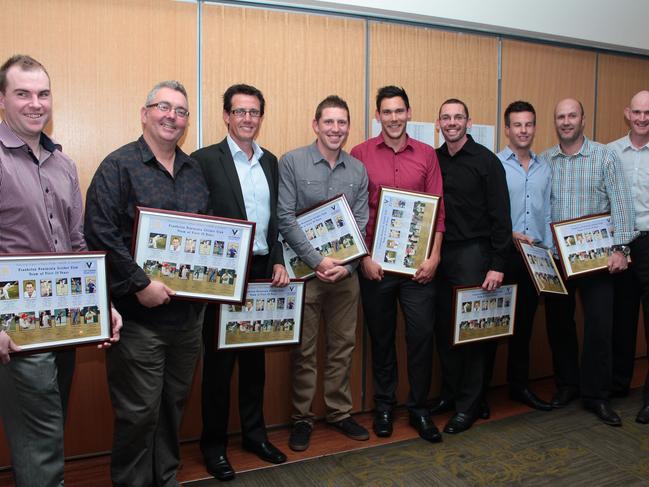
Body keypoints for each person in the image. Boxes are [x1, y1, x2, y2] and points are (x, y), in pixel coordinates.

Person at [0, 54, 121, 487]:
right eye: (23, 94)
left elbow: (77, 244)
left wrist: (101, 302)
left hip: (67, 321)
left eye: (43, 94)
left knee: (50, 425)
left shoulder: (64, 165)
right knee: (40, 437)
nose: (36, 103)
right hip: (16, 329)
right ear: (2, 99)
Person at [84, 80, 207, 486]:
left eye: (181, 111)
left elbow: (203, 237)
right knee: (138, 414)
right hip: (138, 321)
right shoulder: (118, 166)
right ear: (145, 113)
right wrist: (140, 284)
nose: (172, 116)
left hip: (187, 320)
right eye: (163, 107)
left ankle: (166, 478)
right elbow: (100, 233)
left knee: (173, 407)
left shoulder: (194, 171)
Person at [191, 84, 289, 481]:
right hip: (224, 275)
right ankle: (213, 444)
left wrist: (280, 261)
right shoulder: (203, 160)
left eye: (254, 112)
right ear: (226, 116)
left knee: (254, 361)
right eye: (240, 111)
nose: (248, 118)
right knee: (218, 365)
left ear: (261, 117)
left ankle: (254, 434)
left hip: (264, 270)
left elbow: (277, 220)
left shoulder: (271, 162)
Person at [350, 86, 445, 442]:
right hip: (376, 267)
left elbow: (438, 210)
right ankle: (384, 407)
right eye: (386, 112)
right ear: (378, 116)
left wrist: (435, 256)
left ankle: (419, 409)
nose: (393, 118)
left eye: (399, 111)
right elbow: (353, 213)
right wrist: (363, 258)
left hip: (418, 269)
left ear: (408, 113)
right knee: (382, 339)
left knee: (420, 337)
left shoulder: (426, 155)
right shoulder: (359, 154)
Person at [278, 95, 369, 451]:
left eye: (342, 122)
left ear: (348, 127)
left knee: (342, 347)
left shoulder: (358, 170)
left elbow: (361, 221)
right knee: (303, 350)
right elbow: (285, 217)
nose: (335, 129)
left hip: (346, 277)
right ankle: (301, 419)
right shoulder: (292, 162)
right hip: (305, 274)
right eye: (328, 122)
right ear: (316, 125)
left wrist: (346, 265)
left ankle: (339, 412)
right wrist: (317, 261)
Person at [542, 98, 636, 426]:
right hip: (556, 261)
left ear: (583, 119)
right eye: (561, 117)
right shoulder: (545, 160)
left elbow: (622, 204)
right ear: (556, 122)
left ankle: (596, 395)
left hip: (597, 262)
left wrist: (621, 249)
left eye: (572, 115)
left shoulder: (604, 156)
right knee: (559, 325)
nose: (566, 121)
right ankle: (568, 384)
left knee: (599, 326)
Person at [433, 98, 512, 434]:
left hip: (475, 255)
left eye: (458, 117)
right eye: (446, 118)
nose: (452, 122)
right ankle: (452, 393)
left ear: (469, 121)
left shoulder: (487, 162)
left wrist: (497, 264)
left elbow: (501, 218)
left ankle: (469, 404)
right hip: (439, 255)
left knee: (471, 335)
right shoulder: (433, 159)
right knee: (443, 331)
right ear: (438, 123)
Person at [496, 101, 553, 411]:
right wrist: (510, 235)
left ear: (534, 127)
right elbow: (489, 215)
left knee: (524, 327)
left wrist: (552, 253)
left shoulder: (545, 166)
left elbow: (548, 212)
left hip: (535, 259)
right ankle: (481, 394)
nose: (523, 130)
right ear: (507, 129)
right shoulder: (495, 164)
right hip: (504, 256)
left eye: (529, 124)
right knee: (495, 323)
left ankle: (520, 386)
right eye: (517, 125)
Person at [608, 90, 649, 424]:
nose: (642, 118)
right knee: (620, 320)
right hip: (621, 245)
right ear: (627, 113)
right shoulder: (610, 153)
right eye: (637, 112)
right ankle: (619, 384)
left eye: (647, 113)